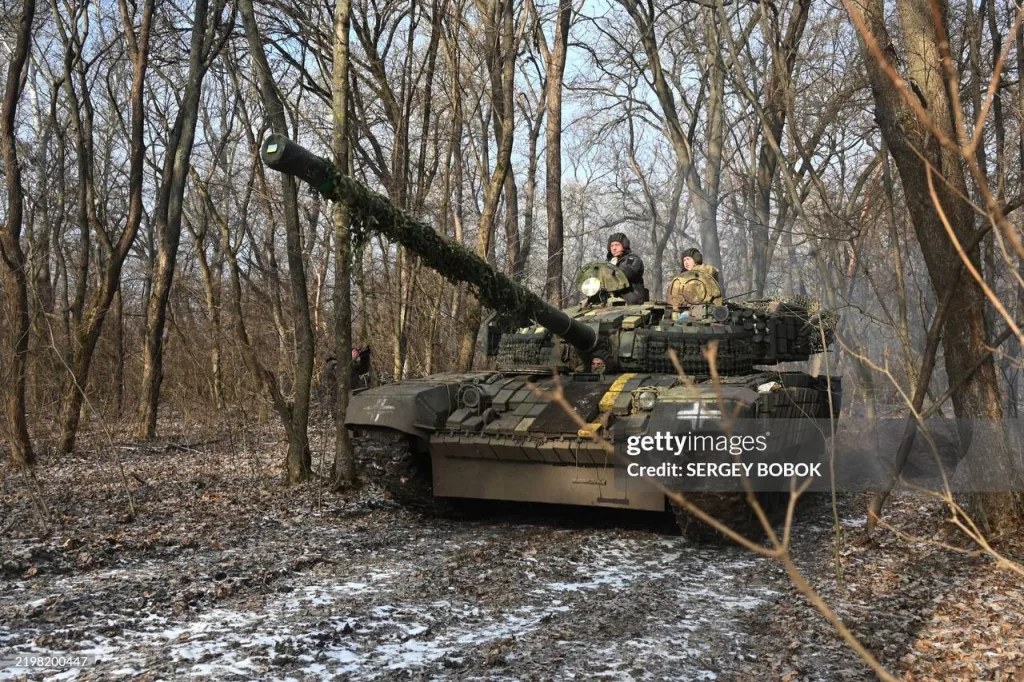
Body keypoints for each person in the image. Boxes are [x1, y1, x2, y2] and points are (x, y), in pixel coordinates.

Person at [606, 232, 647, 304]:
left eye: (617, 245)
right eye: (611, 246)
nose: (614, 248)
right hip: (611, 299)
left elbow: (628, 272)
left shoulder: (631, 259)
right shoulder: (608, 262)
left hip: (631, 299)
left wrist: (612, 268)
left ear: (624, 245)